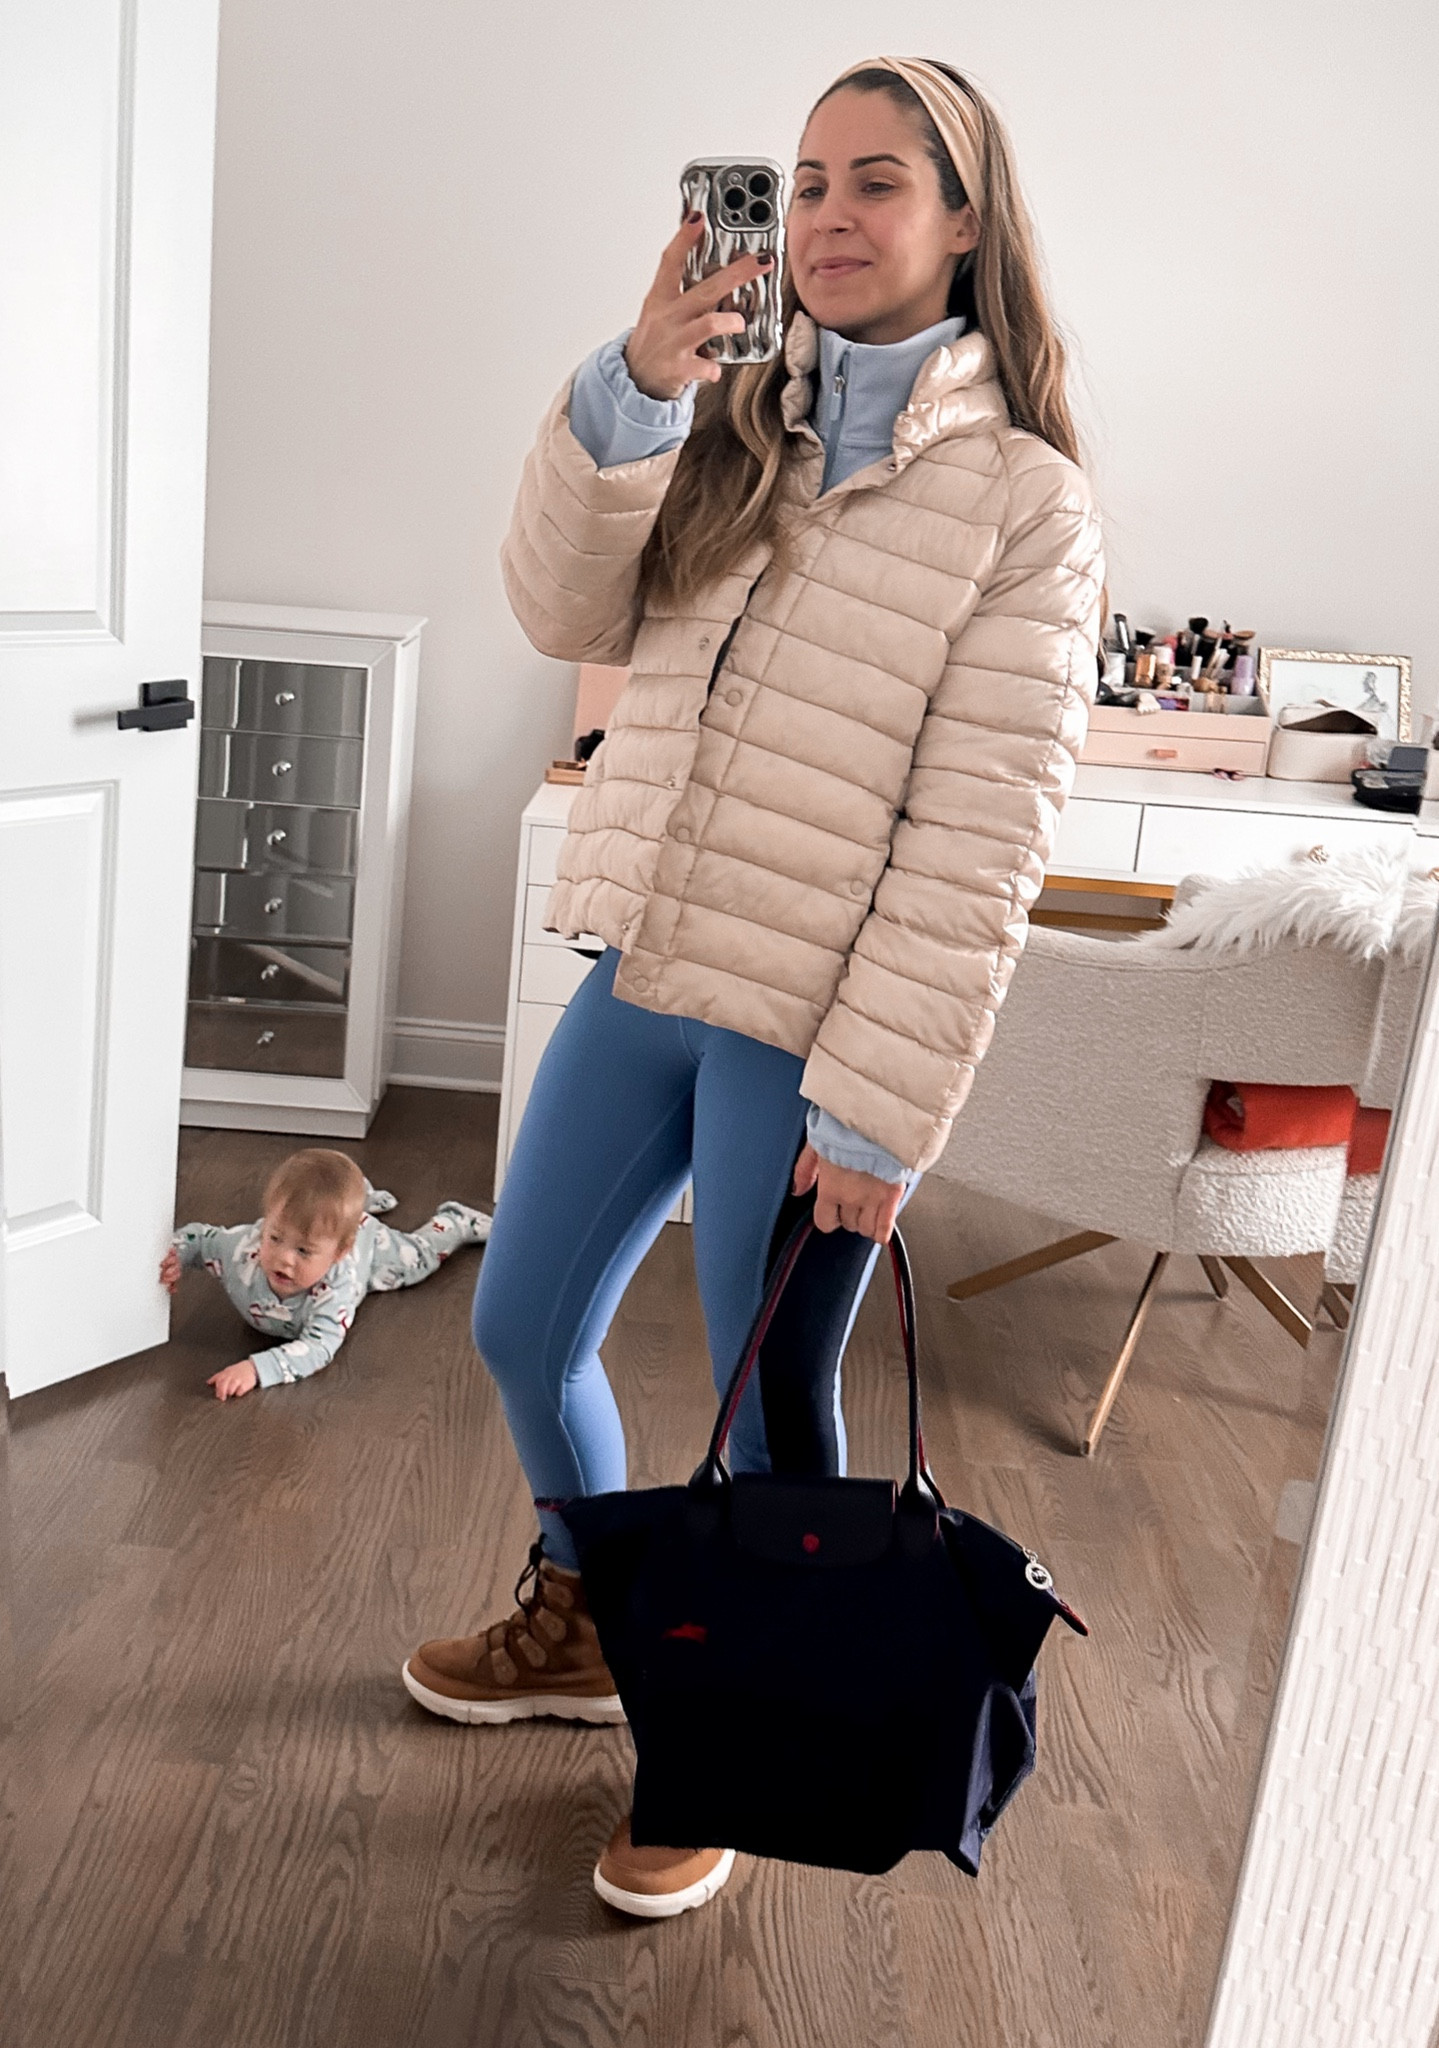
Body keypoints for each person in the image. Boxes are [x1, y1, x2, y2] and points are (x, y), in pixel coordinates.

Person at [404, 54, 1103, 1918]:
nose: (823, 218)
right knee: (516, 1327)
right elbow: (559, 613)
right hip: (646, 964)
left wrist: (881, 1111)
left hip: (808, 1033)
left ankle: (725, 1740)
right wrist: (638, 379)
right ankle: (585, 1617)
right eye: (798, 185)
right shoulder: (725, 425)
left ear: (961, 218)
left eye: (876, 181)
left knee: (772, 1418)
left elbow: (979, 838)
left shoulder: (1024, 506)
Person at [162, 1147, 490, 1399]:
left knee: (418, 1260)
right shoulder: (241, 1250)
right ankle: (356, 1196)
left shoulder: (337, 1288)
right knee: (315, 1213)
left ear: (337, 1253)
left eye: (303, 1251)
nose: (284, 1259)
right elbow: (201, 1238)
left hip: (369, 1243)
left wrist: (257, 1369)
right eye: (275, 1238)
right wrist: (176, 1253)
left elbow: (319, 1347)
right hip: (329, 1230)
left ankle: (456, 1221)